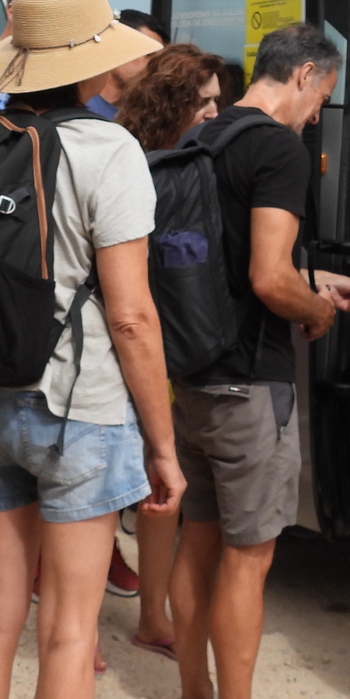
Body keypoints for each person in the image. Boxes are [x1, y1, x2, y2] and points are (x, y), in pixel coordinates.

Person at [0, 0, 185, 699]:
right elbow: (131, 317)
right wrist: (161, 444)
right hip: (79, 411)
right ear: (92, 62)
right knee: (69, 635)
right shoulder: (106, 150)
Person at [166, 22, 350, 699]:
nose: (318, 115)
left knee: (198, 542)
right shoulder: (277, 149)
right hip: (251, 383)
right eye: (324, 98)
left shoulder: (204, 138)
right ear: (306, 75)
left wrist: (316, 284)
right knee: (249, 560)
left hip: (193, 376)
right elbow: (268, 278)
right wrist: (311, 311)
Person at [113, 42, 224, 656]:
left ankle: (152, 616)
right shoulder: (136, 162)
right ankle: (87, 626)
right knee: (112, 494)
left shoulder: (182, 160)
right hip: (127, 347)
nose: (213, 112)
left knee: (158, 494)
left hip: (159, 350)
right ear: (175, 102)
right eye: (203, 101)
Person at [85, 8, 165, 120]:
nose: (155, 65)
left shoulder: (151, 119)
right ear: (117, 47)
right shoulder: (78, 106)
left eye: (160, 59)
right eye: (149, 54)